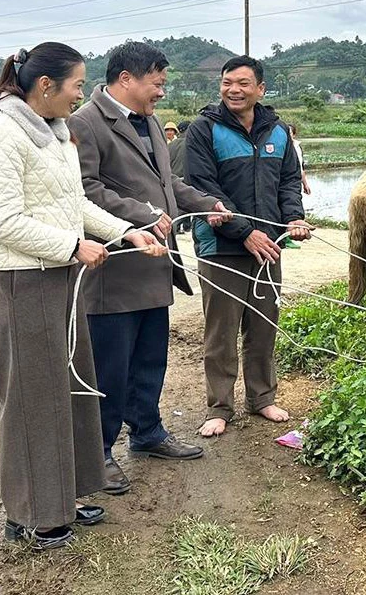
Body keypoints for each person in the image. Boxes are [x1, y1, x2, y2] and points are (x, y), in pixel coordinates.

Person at [0, 42, 163, 550]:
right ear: (46, 86)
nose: (81, 95)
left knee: (69, 389)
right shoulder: (1, 139)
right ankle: (31, 515)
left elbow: (73, 202)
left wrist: (125, 232)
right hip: (21, 281)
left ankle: (64, 497)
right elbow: (3, 221)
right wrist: (72, 246)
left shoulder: (55, 136)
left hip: (57, 276)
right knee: (32, 398)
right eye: (77, 86)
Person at [69, 41, 230, 495]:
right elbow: (85, 191)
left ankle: (147, 432)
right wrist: (140, 214)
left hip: (156, 266)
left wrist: (205, 204)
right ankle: (98, 453)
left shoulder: (152, 122)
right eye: (157, 83)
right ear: (126, 79)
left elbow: (167, 183)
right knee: (109, 366)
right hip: (116, 269)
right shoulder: (85, 123)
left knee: (149, 359)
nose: (162, 92)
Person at [184, 55, 311, 438]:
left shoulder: (277, 132)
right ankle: (219, 407)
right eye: (227, 83)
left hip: (268, 248)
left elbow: (289, 182)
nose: (233, 90)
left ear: (260, 89)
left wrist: (294, 218)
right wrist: (244, 233)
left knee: (264, 327)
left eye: (242, 83)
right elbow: (205, 188)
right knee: (221, 332)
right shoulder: (204, 130)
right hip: (221, 248)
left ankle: (262, 398)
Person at [284, 124, 311, 249]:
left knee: (294, 204)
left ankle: (289, 235)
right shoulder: (282, 145)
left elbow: (300, 167)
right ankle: (286, 237)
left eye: (290, 133)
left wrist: (305, 183)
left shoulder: (296, 147)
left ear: (294, 135)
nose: (288, 135)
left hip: (295, 179)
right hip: (291, 179)